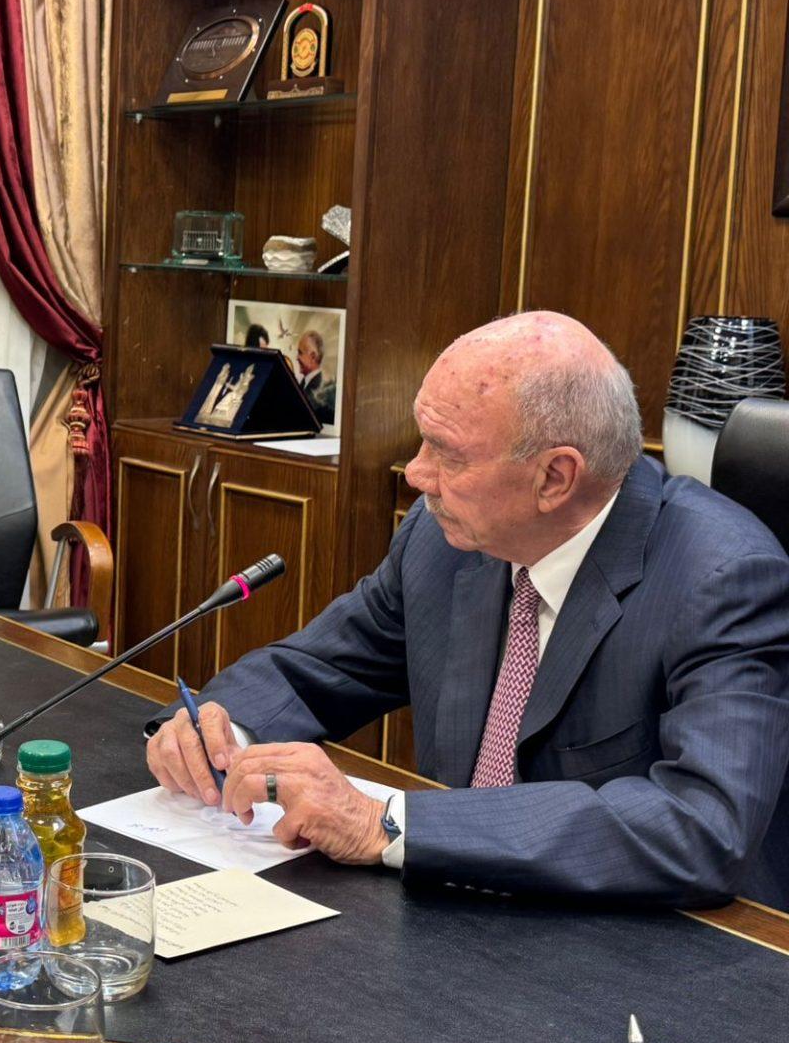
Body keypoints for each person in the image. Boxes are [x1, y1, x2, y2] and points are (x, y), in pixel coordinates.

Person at [146, 311, 789, 908]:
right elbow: (317, 668)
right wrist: (219, 732)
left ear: (555, 478)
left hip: (646, 942)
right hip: (454, 912)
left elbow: (701, 826)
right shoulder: (443, 541)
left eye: (447, 453)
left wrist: (386, 823)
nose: (415, 475)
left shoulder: (724, 578)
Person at [295, 330, 336, 425]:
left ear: (313, 357)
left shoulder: (322, 391)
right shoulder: (303, 383)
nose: (297, 358)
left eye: (300, 353)